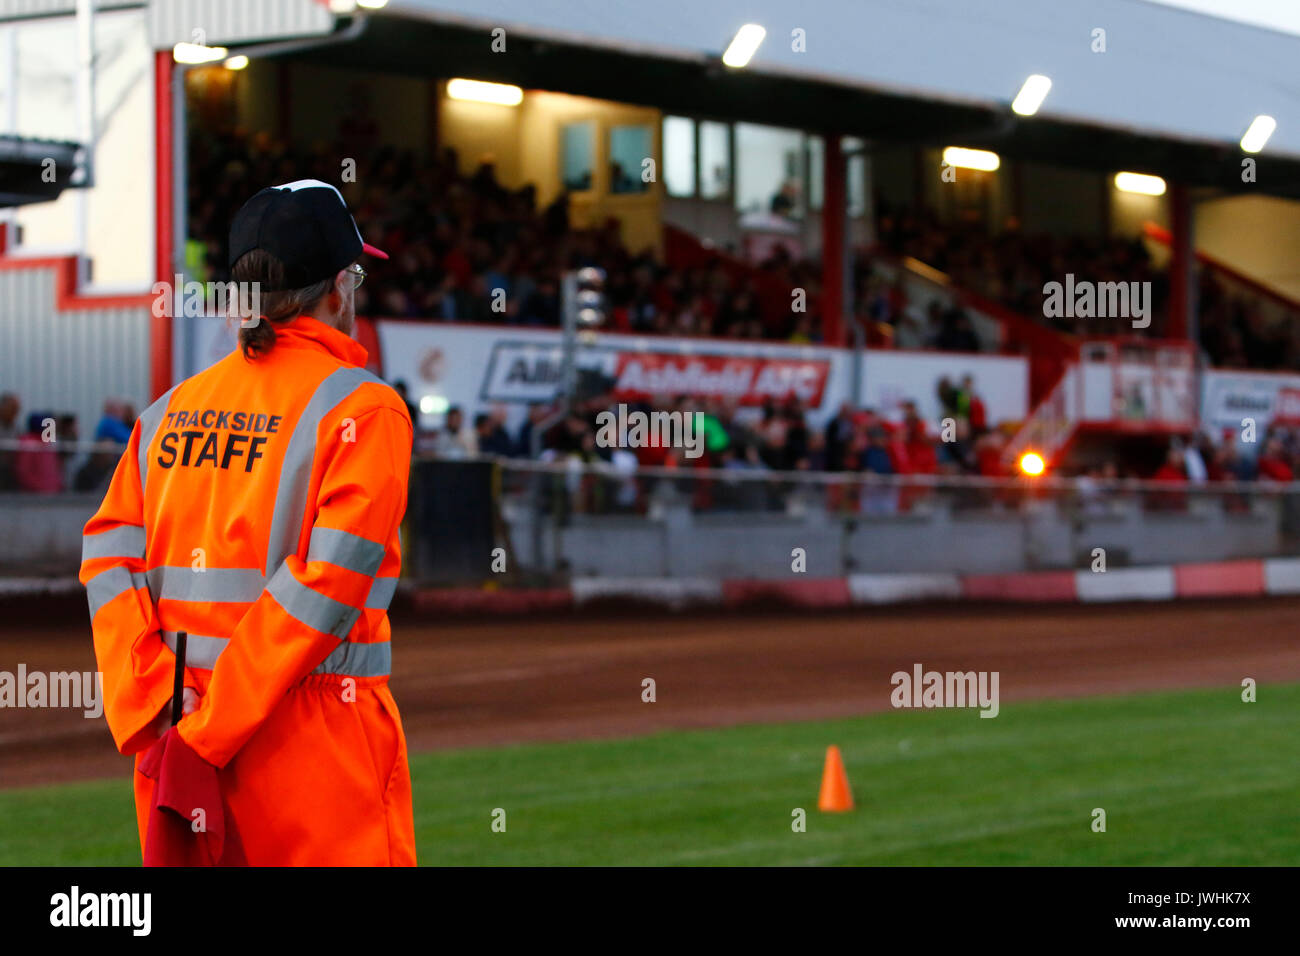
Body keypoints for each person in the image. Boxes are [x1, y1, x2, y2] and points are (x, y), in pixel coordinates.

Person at [79, 180, 415, 866]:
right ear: (340, 288)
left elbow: (107, 558)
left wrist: (154, 708)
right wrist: (211, 732)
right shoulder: (366, 411)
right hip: (312, 752)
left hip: (176, 740)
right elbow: (325, 590)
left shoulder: (167, 412)